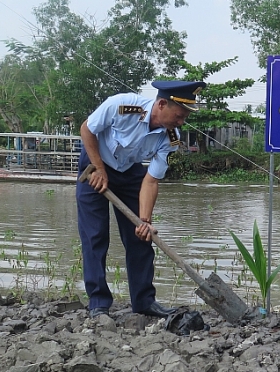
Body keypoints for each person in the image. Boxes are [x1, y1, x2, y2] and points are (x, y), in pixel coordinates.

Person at [76, 79, 206, 319]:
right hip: (94, 165)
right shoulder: (121, 105)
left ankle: (144, 301)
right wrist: (98, 167)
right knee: (95, 236)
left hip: (129, 171)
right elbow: (87, 129)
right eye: (178, 116)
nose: (181, 122)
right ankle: (98, 303)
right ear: (162, 104)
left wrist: (144, 220)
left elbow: (151, 180)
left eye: (184, 118)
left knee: (142, 238)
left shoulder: (171, 139)